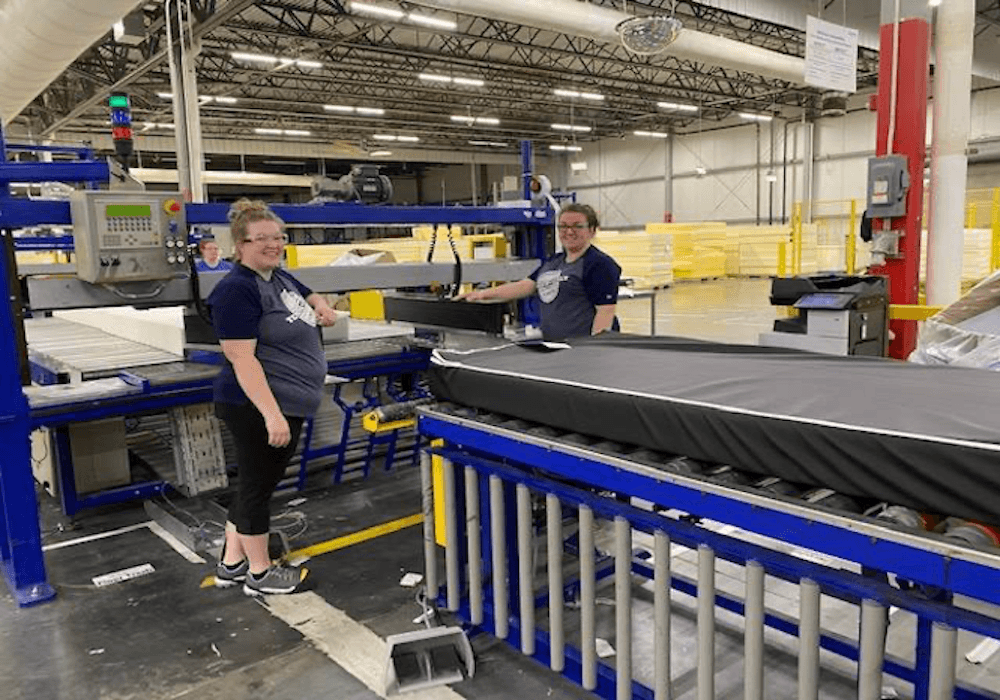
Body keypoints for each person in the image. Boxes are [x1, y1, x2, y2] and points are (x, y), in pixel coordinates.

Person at [208, 199, 337, 596]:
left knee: (252, 483)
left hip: (281, 403)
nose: (273, 244)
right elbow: (241, 358)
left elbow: (309, 294)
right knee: (257, 490)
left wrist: (322, 307)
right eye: (262, 238)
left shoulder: (276, 278)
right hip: (257, 407)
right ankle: (260, 574)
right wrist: (272, 416)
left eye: (278, 237)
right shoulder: (236, 290)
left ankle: (232, 564)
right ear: (240, 244)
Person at [461, 203, 621, 340]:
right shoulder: (554, 261)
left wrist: (596, 352)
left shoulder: (599, 264)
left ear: (592, 230)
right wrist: (481, 295)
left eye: (577, 226)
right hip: (556, 346)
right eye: (563, 226)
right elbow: (527, 285)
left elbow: (605, 313)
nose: (569, 232)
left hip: (581, 351)